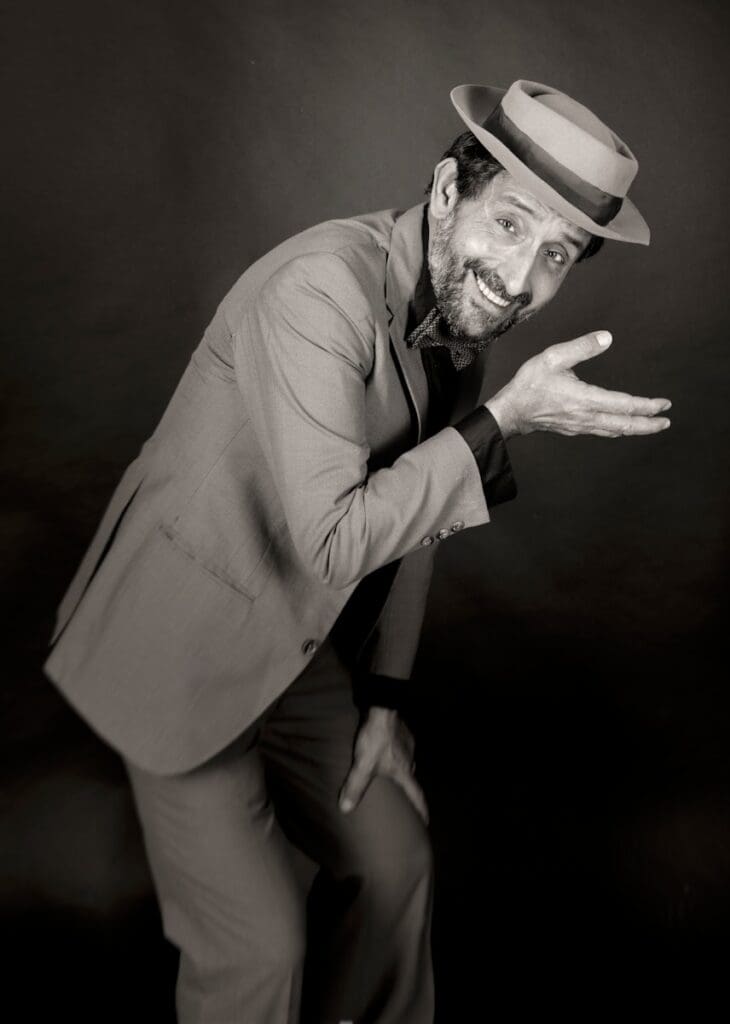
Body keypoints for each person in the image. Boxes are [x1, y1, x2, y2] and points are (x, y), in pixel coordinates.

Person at [43, 79, 671, 1023]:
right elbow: (340, 539)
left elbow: (421, 515)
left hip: (297, 645)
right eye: (510, 225)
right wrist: (503, 422)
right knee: (258, 947)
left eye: (556, 255)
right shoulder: (316, 291)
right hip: (177, 643)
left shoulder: (464, 322)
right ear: (447, 191)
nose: (521, 277)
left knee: (397, 861)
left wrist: (384, 697)